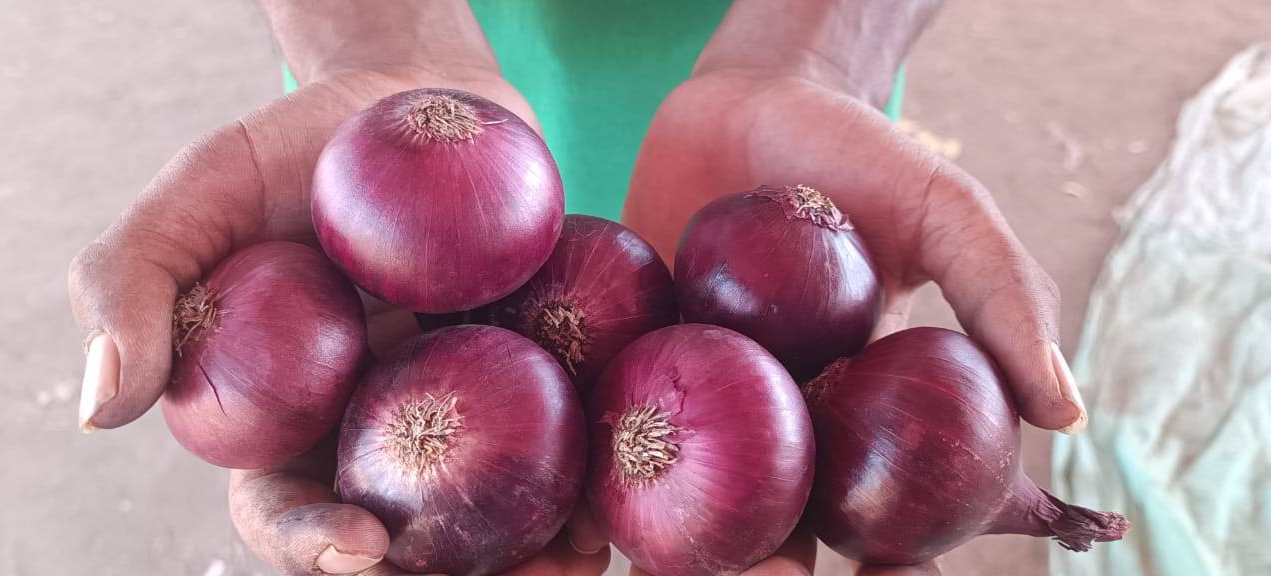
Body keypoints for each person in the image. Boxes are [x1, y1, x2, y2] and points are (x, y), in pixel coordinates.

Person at [68, 1, 1087, 575]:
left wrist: (819, 49)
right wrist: (377, 39)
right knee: (452, 253)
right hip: (408, 79)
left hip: (773, 67)